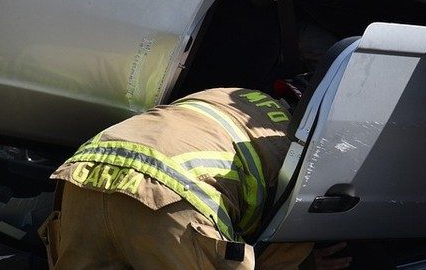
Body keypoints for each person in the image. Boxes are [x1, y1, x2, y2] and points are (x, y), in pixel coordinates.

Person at [40, 86, 351, 269]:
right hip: (170, 198)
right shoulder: (299, 149)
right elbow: (278, 243)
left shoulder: (231, 95)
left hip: (87, 173)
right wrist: (306, 260)